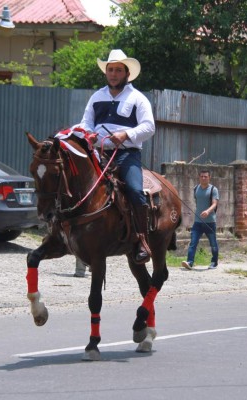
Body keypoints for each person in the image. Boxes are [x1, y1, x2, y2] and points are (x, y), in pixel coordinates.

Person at [79, 49, 155, 264]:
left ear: (126, 73)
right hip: (98, 152)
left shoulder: (138, 98)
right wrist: (89, 133)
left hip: (127, 154)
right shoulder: (96, 96)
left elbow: (149, 127)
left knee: (134, 190)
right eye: (110, 70)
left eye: (118, 70)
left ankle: (142, 240)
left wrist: (127, 134)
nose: (113, 74)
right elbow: (86, 121)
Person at [181, 170, 220, 270]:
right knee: (193, 242)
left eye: (205, 176)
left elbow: (215, 203)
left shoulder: (213, 189)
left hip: (210, 222)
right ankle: (190, 262)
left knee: (213, 244)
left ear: (209, 177)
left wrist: (207, 211)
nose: (203, 178)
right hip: (197, 222)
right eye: (202, 176)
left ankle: (214, 262)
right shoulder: (196, 189)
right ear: (199, 177)